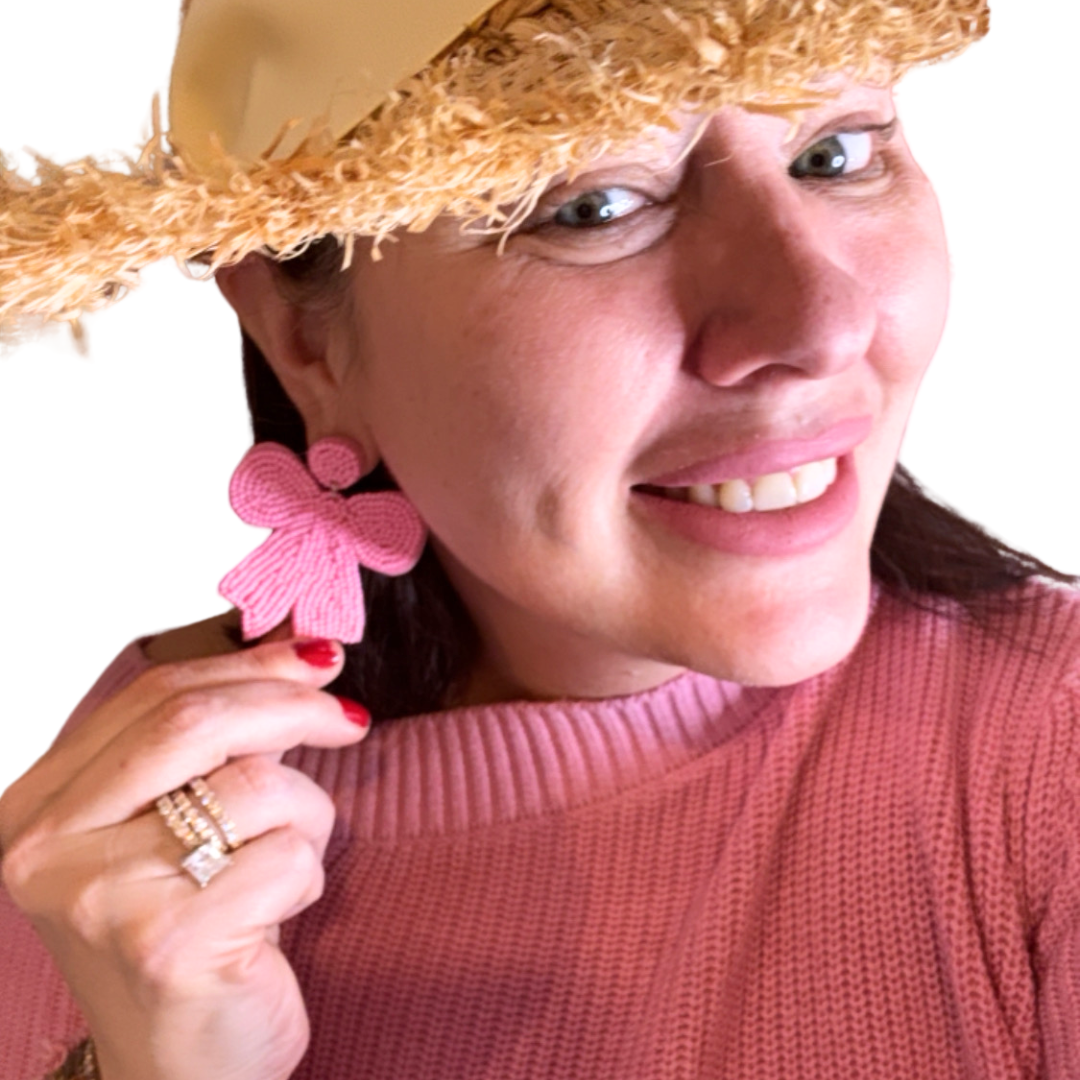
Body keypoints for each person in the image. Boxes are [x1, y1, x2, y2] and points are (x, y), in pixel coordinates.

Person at [1, 0, 1078, 1077]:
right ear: (301, 341)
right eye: (595, 205)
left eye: (833, 153)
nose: (816, 323)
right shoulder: (124, 855)